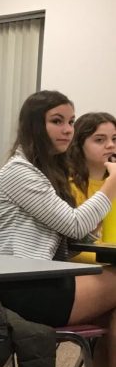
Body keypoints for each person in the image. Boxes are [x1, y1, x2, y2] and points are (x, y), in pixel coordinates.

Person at [0, 90, 116, 367]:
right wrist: (112, 185)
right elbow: (74, 224)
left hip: (43, 279)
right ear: (35, 126)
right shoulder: (19, 172)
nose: (67, 130)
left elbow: (73, 231)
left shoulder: (45, 171)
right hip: (24, 287)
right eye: (57, 121)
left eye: (71, 122)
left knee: (113, 313)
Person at [69, 112, 116, 263]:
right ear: (79, 144)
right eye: (99, 140)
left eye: (115, 139)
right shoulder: (68, 185)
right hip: (82, 266)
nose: (110, 145)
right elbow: (71, 248)